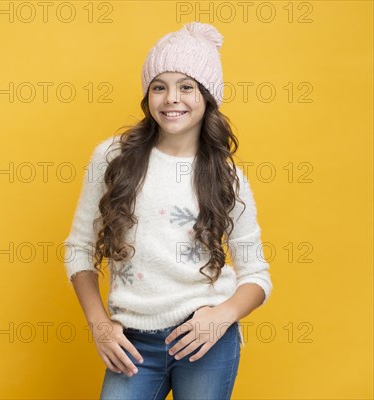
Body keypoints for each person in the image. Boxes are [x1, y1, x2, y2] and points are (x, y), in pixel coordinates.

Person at [62, 22, 274, 399]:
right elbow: (79, 249)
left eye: (186, 86)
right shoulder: (112, 158)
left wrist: (221, 317)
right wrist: (100, 326)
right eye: (159, 86)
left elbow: (257, 275)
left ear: (207, 96)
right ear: (147, 96)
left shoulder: (228, 177)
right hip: (133, 342)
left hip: (204, 339)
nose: (171, 98)